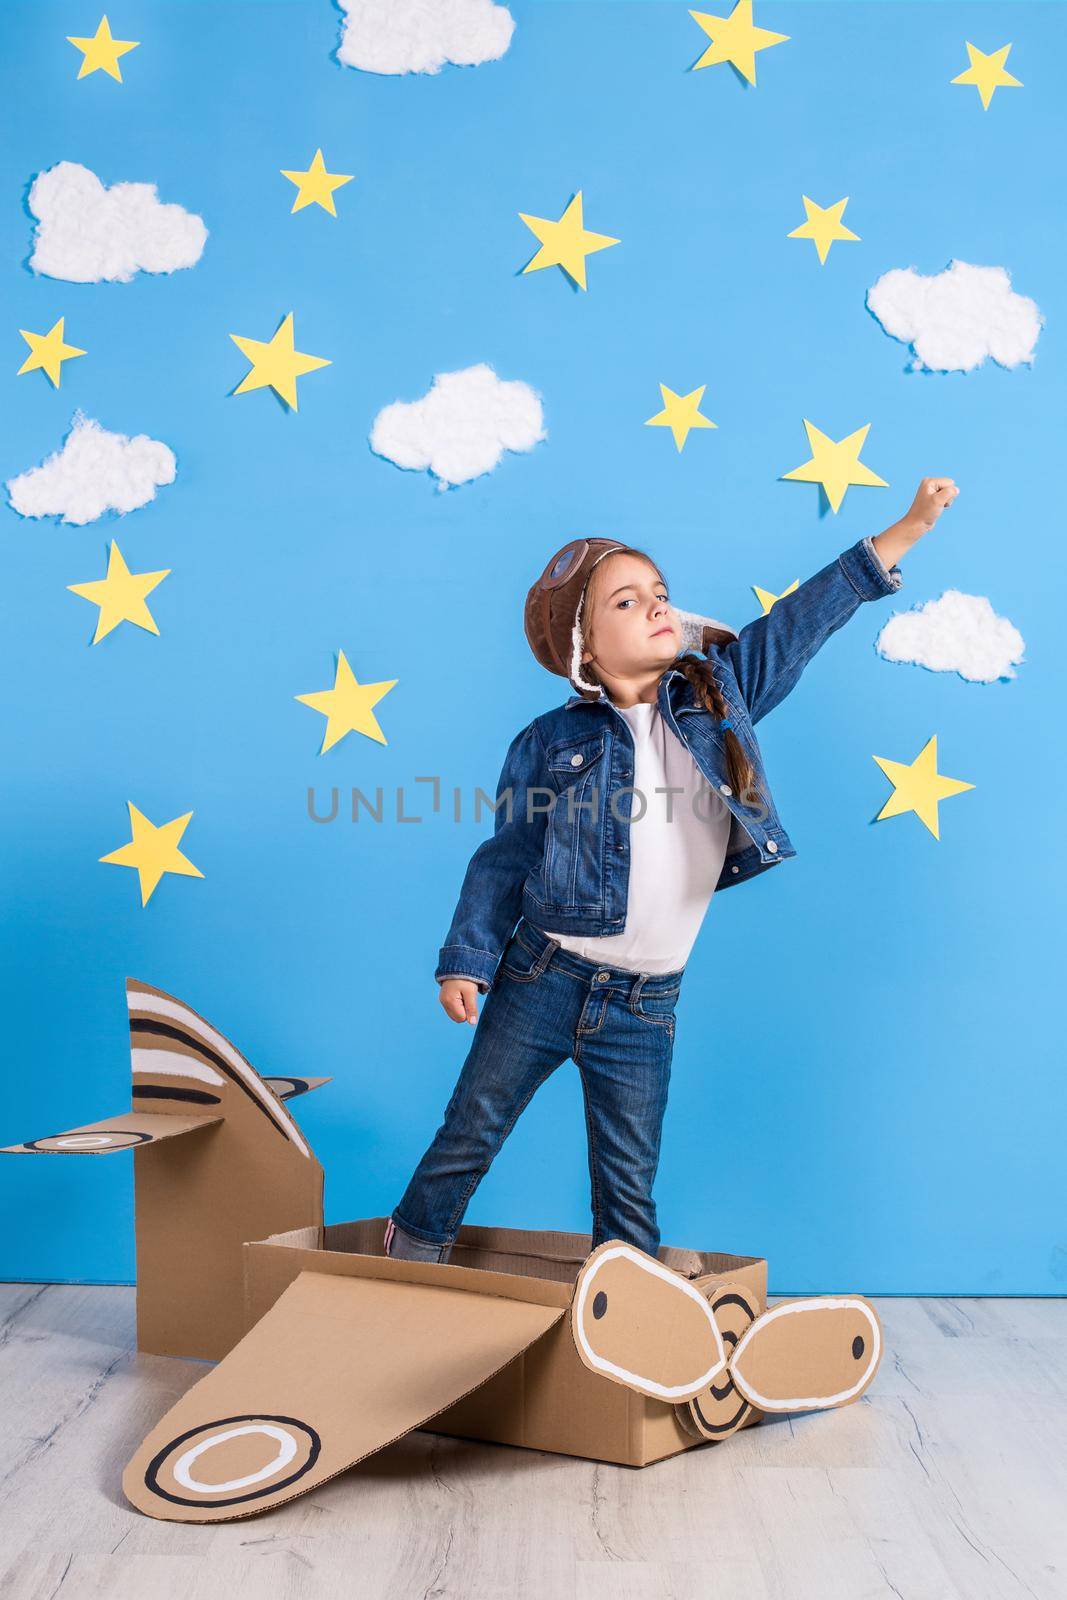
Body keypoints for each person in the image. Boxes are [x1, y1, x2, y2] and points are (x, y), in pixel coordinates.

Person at [384, 478, 960, 1264]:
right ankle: (411, 1246)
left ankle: (628, 1304)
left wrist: (905, 530)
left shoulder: (720, 699)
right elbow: (506, 855)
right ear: (582, 645)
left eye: (658, 592)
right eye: (625, 601)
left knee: (627, 1170)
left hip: (646, 1002)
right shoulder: (550, 740)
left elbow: (801, 620)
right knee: (473, 1125)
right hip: (541, 975)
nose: (656, 604)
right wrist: (468, 960)